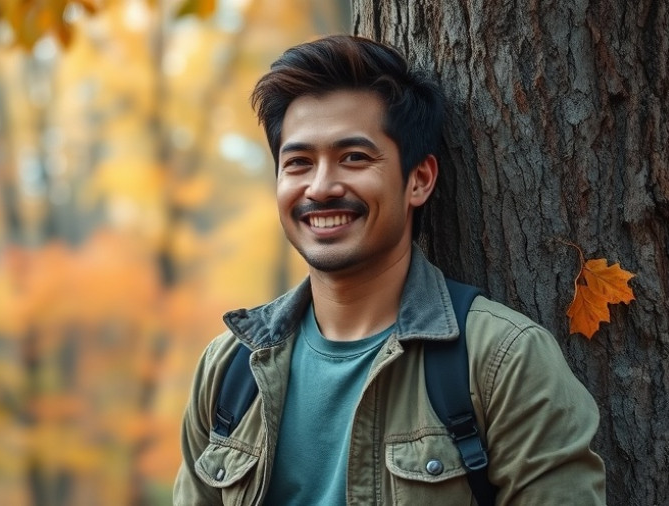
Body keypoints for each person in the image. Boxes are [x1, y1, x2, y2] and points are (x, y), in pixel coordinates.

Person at [173, 35, 605, 505]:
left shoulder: (504, 360)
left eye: (354, 158)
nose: (320, 187)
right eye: (298, 163)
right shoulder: (228, 368)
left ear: (419, 179)